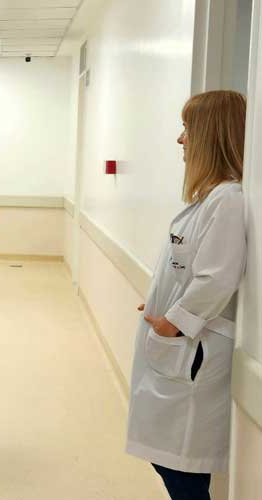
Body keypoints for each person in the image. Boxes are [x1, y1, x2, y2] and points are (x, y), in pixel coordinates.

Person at [126, 90, 247, 500]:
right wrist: (160, 301)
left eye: (188, 129)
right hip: (181, 343)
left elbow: (215, 279)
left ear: (211, 135)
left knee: (181, 467)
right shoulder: (208, 199)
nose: (181, 139)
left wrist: (171, 323)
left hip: (196, 349)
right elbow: (188, 270)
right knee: (171, 460)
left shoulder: (228, 201)